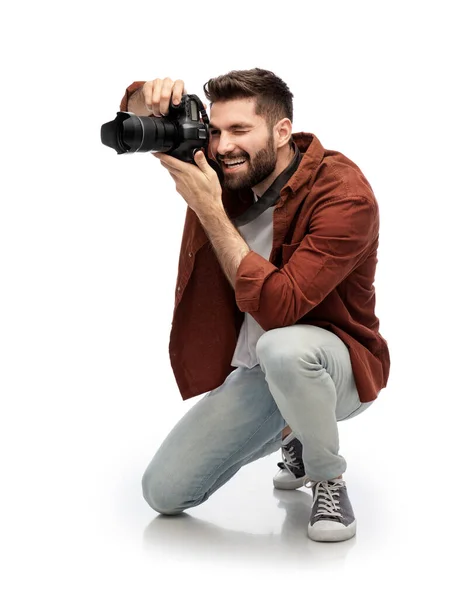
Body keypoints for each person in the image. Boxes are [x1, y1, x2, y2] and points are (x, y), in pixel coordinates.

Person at [118, 69, 390, 542]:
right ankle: (294, 430)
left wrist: (209, 210)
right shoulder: (229, 166)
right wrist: (145, 96)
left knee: (282, 348)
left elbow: (280, 308)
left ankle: (328, 477)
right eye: (216, 130)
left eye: (241, 130)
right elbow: (136, 113)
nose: (223, 147)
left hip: (334, 366)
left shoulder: (344, 195)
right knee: (162, 493)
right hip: (258, 372)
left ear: (282, 131)